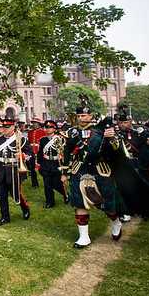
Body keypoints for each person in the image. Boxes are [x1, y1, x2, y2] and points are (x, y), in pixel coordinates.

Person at [60, 94, 123, 248]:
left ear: (91, 115)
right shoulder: (71, 132)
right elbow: (66, 152)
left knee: (108, 204)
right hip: (79, 169)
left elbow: (116, 149)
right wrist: (64, 172)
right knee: (79, 203)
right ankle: (84, 237)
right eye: (79, 115)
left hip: (100, 170)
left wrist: (112, 138)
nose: (81, 118)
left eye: (84, 115)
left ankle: (116, 222)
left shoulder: (102, 130)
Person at [0, 118, 32, 225]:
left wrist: (22, 156)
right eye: (3, 127)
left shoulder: (21, 139)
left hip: (14, 169)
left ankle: (25, 208)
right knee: (1, 194)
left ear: (13, 127)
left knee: (15, 194)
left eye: (7, 127)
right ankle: (5, 217)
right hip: (0, 169)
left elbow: (30, 155)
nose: (4, 129)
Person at [37, 120, 68, 208]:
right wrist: (39, 164)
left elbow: (63, 152)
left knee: (56, 183)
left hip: (56, 163)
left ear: (54, 129)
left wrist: (63, 162)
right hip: (46, 163)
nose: (47, 129)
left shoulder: (59, 138)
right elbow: (40, 153)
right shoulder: (42, 140)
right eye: (46, 127)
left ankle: (66, 194)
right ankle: (50, 201)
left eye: (50, 127)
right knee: (47, 184)